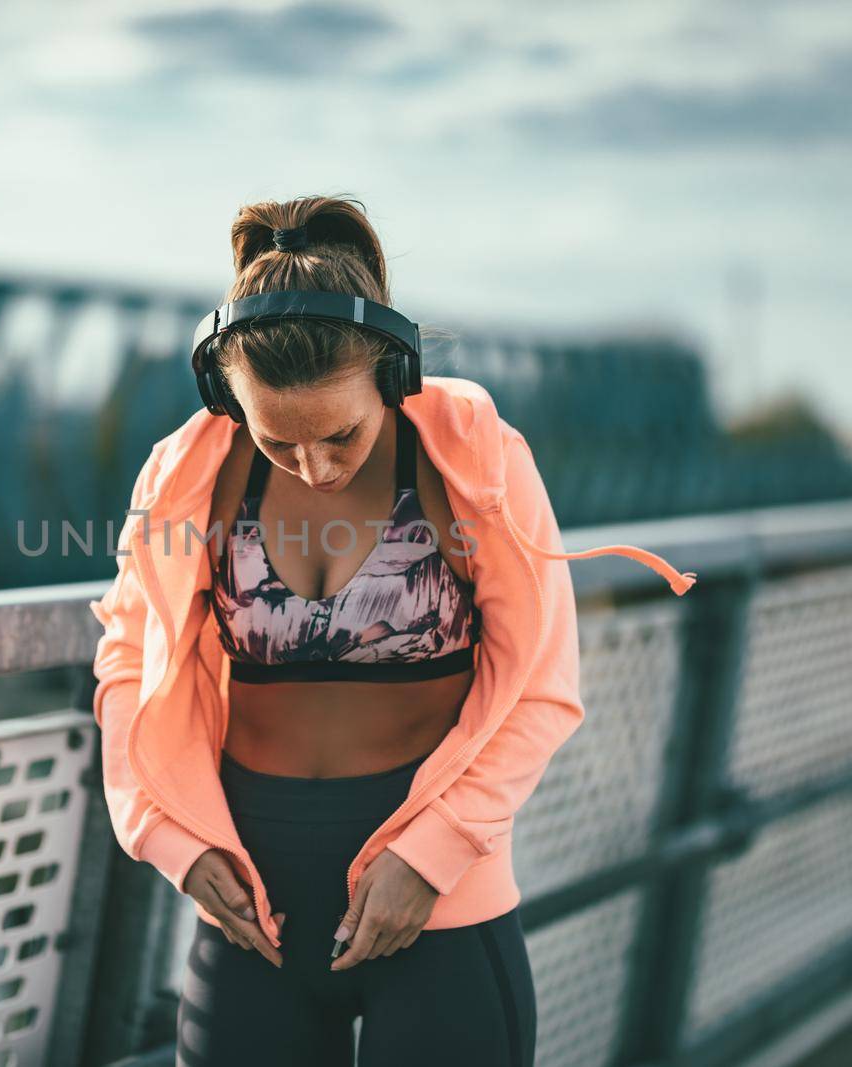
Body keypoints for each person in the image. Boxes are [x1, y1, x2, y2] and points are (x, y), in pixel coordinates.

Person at [88, 195, 697, 1066]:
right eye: (279, 442)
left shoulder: (474, 459)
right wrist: (175, 846)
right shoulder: (190, 472)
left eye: (340, 434)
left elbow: (544, 685)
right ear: (233, 400)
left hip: (439, 905)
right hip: (250, 910)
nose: (316, 468)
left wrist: (434, 853)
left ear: (394, 375)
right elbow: (124, 665)